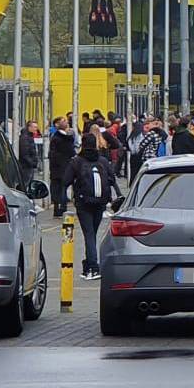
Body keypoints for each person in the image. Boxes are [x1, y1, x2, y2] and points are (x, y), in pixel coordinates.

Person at [61, 134, 119, 280]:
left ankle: (92, 267)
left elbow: (65, 181)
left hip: (84, 202)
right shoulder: (103, 161)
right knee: (92, 232)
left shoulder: (77, 162)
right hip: (100, 202)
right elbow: (112, 178)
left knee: (89, 234)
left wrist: (62, 200)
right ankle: (89, 264)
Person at [47, 116, 76, 218]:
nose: (66, 122)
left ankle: (61, 208)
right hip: (60, 168)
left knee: (62, 188)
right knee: (59, 189)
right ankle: (59, 209)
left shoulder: (66, 137)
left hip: (64, 167)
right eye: (63, 121)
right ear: (57, 124)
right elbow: (56, 154)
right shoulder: (57, 138)